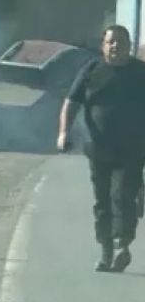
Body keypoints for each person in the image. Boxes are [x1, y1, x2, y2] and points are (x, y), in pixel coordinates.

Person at [57, 24, 145, 272]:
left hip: (133, 150)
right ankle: (106, 250)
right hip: (98, 149)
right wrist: (64, 132)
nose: (115, 46)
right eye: (111, 42)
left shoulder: (141, 73)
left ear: (129, 45)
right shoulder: (92, 71)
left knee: (122, 196)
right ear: (103, 46)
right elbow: (71, 102)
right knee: (102, 201)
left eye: (121, 42)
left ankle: (122, 245)